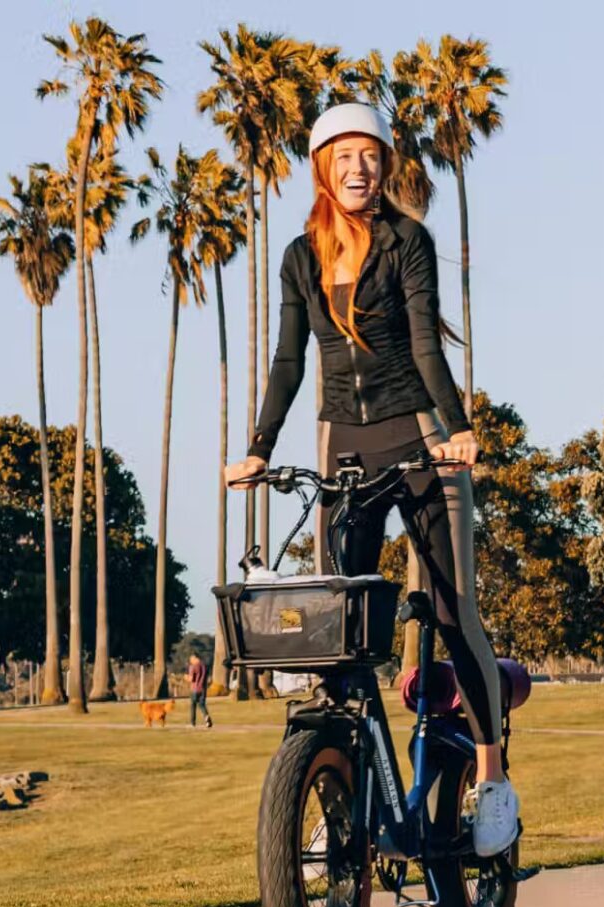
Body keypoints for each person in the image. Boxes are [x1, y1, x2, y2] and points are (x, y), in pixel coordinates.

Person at [224, 103, 518, 857]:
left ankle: (492, 782)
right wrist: (259, 448)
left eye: (372, 156)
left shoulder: (406, 242)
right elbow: (290, 360)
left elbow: (426, 346)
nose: (360, 169)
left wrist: (455, 432)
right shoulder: (299, 256)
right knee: (340, 629)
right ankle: (342, 783)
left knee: (455, 614)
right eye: (344, 156)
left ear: (386, 167)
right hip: (342, 449)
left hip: (417, 437)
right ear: (323, 168)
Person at [185, 652, 213, 729]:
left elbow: (191, 679)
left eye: (191, 659)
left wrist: (186, 677)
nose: (190, 661)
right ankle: (206, 717)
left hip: (195, 688)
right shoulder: (204, 666)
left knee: (193, 705)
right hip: (203, 688)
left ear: (195, 658)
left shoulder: (193, 667)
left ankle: (192, 723)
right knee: (202, 704)